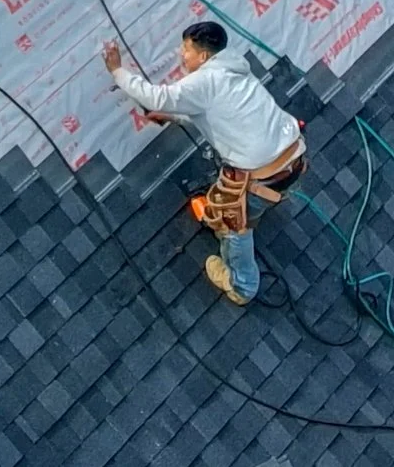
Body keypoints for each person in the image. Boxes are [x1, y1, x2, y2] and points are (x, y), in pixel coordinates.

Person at [102, 22, 305, 305]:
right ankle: (253, 211)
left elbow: (157, 96)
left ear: (204, 56)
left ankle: (243, 286)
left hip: (262, 176)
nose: (181, 56)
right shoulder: (233, 69)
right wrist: (174, 117)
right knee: (242, 202)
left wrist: (117, 70)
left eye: (186, 50)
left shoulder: (204, 81)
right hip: (292, 158)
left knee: (234, 223)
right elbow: (218, 112)